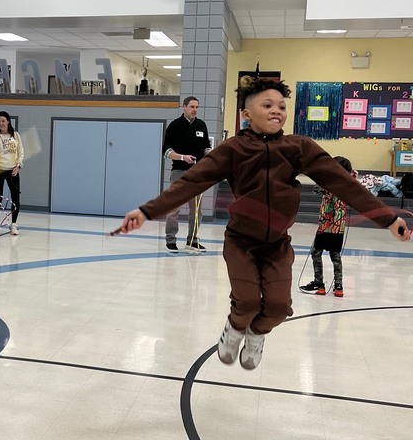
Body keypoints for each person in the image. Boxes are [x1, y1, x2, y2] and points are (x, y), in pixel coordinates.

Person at [117, 77, 409, 371]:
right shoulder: (233, 149)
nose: (276, 111)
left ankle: (256, 335)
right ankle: (234, 329)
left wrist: (388, 218)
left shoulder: (298, 147)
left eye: (281, 106)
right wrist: (146, 211)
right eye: (267, 105)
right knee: (246, 303)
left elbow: (342, 182)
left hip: (277, 246)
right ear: (246, 113)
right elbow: (191, 182)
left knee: (280, 307)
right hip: (241, 242)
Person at [300, 155, 356, 298]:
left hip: (326, 224)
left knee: (316, 252)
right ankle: (338, 287)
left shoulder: (329, 183)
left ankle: (319, 285)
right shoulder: (349, 184)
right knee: (335, 255)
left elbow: (316, 190)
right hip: (338, 226)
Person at [162, 96, 212, 253]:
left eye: (197, 107)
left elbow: (205, 147)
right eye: (192, 106)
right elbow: (166, 152)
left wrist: (210, 154)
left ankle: (193, 240)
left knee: (196, 210)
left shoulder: (201, 126)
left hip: (198, 174)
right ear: (184, 107)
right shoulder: (175, 126)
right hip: (179, 172)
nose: (195, 110)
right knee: (174, 208)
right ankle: (171, 240)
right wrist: (183, 157)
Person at [0, 110, 24, 236]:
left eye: (3, 121)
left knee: (15, 198)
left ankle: (13, 224)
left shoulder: (16, 135)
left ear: (8, 121)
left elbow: (20, 152)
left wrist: (18, 165)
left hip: (12, 171)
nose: (1, 123)